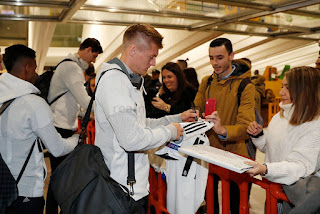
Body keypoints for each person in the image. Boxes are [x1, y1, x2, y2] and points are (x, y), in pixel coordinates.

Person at [94, 23, 197, 212]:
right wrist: (169, 132)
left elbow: (141, 125)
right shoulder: (115, 81)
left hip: (128, 186)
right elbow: (132, 139)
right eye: (151, 56)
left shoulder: (128, 80)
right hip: (121, 190)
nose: (153, 63)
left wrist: (175, 119)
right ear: (133, 50)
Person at [0, 44, 78, 214]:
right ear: (27, 68)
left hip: (2, 185)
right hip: (25, 190)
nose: (36, 74)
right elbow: (57, 149)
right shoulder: (34, 104)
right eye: (35, 69)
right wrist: (76, 139)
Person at [246, 66, 320, 213]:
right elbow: (272, 148)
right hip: (275, 185)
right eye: (282, 86)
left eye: (288, 87)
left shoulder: (314, 125)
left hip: (292, 195)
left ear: (303, 90)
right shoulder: (280, 116)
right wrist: (259, 136)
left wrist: (267, 169)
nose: (281, 92)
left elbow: (301, 166)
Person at [194, 38, 255, 213]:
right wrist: (194, 115)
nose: (215, 63)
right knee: (210, 204)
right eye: (211, 58)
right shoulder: (207, 82)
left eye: (219, 57)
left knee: (235, 206)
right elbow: (197, 106)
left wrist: (222, 130)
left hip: (234, 157)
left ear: (231, 56)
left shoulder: (245, 86)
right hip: (208, 154)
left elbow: (246, 127)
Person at [46, 38, 103, 214]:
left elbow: (70, 103)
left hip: (59, 125)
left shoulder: (67, 65)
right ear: (87, 50)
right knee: (63, 177)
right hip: (61, 128)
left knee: (59, 175)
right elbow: (85, 101)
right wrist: (108, 108)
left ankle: (54, 210)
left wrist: (84, 114)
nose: (93, 60)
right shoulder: (72, 67)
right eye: (93, 55)